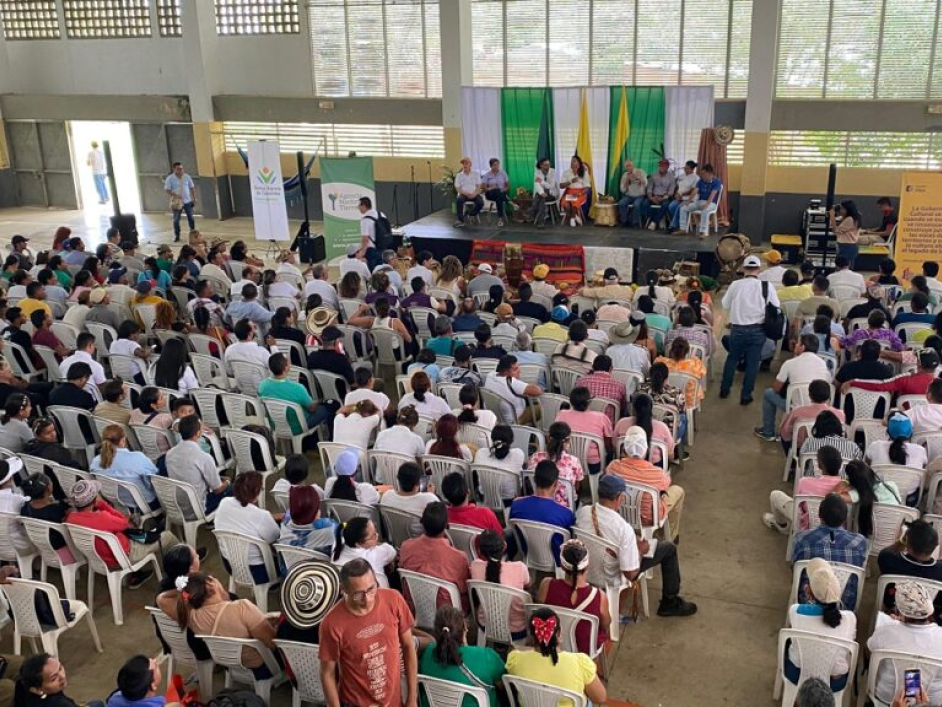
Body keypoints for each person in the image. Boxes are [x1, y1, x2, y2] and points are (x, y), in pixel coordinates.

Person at [319, 558, 418, 707]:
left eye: (371, 589)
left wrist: (412, 697)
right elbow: (327, 673)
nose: (367, 599)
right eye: (358, 594)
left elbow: (408, 646)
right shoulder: (331, 624)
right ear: (344, 590)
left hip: (394, 700)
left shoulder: (394, 600)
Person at [67, 479, 177, 587]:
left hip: (98, 559)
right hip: (124, 556)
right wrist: (103, 505)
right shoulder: (102, 518)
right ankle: (180, 569)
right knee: (168, 536)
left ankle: (138, 574)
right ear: (94, 499)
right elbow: (125, 523)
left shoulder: (70, 519)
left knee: (134, 531)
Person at [177, 572, 278, 675]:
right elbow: (273, 643)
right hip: (263, 666)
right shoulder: (242, 608)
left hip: (233, 668)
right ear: (210, 584)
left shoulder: (192, 617)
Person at [505, 607, 607, 705]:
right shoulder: (580, 662)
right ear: (559, 634)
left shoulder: (515, 660)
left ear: (532, 637)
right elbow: (600, 698)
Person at [784, 558, 857, 692]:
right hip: (833, 683)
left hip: (797, 675)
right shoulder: (850, 619)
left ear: (808, 592)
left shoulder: (795, 611)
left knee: (787, 644)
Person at [868, 580, 942, 705]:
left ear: (899, 611)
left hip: (886, 697)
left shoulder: (885, 632)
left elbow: (870, 649)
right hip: (931, 701)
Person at [418, 605, 506, 707]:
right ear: (465, 628)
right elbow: (503, 685)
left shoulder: (427, 653)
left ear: (436, 631)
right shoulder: (487, 656)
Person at [607, 426, 684, 541]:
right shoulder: (657, 473)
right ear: (646, 450)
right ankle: (671, 536)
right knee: (678, 490)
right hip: (649, 518)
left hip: (619, 511)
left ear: (624, 449)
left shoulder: (613, 466)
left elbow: (606, 477)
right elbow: (666, 484)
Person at [721, 254, 779, 404]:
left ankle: (724, 390)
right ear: (759, 269)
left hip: (738, 328)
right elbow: (776, 306)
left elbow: (725, 304)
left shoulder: (735, 285)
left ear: (743, 268)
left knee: (732, 358)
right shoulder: (766, 286)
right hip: (757, 329)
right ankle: (746, 396)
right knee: (753, 362)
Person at [537, 538, 610, 656]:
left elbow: (540, 613)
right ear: (587, 566)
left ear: (562, 566)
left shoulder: (546, 585)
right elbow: (606, 625)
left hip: (554, 645)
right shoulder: (600, 597)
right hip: (585, 651)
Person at [793, 494, 868, 607]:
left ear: (819, 515)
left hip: (807, 601)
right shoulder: (859, 542)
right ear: (845, 518)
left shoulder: (802, 539)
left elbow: (795, 568)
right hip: (844, 604)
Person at [755, 334, 830, 441]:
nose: (795, 345)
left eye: (798, 343)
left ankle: (768, 432)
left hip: (797, 408)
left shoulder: (790, 363)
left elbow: (776, 388)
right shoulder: (823, 364)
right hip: (820, 409)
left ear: (803, 347)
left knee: (768, 394)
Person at [400, 501, 471, 609]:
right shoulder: (458, 558)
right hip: (448, 615)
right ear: (445, 526)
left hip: (415, 608)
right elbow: (464, 589)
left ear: (422, 523)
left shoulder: (405, 547)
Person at [214, 471, 280, 583]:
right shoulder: (262, 516)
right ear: (256, 492)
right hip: (257, 572)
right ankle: (273, 584)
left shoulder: (224, 503)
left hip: (230, 566)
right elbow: (275, 539)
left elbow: (243, 519)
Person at [509, 460, 575, 561]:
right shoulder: (566, 514)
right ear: (556, 483)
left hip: (528, 554)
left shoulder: (516, 506)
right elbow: (571, 541)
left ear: (534, 480)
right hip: (557, 560)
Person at [258, 352, 336, 436]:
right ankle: (330, 437)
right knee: (332, 404)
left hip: (275, 425)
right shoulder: (297, 388)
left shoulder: (262, 385)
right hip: (298, 426)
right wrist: (320, 401)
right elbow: (312, 409)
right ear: (286, 368)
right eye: (288, 362)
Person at [877, 519, 942, 618]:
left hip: (894, 610)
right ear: (936, 545)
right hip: (929, 617)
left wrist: (901, 541)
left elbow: (886, 552)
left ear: (906, 543)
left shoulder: (888, 559)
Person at [165, 414, 231, 513]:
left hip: (177, 505)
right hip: (198, 508)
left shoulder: (169, 454)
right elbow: (218, 489)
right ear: (198, 434)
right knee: (234, 488)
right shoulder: (203, 457)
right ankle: (214, 520)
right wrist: (228, 482)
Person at [90, 424, 160, 512]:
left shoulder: (95, 462)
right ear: (122, 440)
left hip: (114, 504)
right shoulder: (138, 457)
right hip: (144, 505)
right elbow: (154, 480)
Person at [779, 379, 845, 452]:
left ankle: (793, 459)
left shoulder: (798, 412)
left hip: (803, 450)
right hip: (832, 451)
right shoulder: (840, 414)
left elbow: (785, 432)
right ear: (829, 396)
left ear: (810, 396)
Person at [333, 517, 397, 588]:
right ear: (357, 544)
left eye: (376, 531)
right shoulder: (375, 553)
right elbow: (392, 552)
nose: (377, 535)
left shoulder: (336, 545)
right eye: (373, 536)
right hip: (378, 594)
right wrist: (376, 544)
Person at [483, 355, 542, 425]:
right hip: (513, 422)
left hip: (494, 418)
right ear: (505, 372)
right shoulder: (512, 383)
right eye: (515, 369)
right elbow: (538, 391)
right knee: (541, 407)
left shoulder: (490, 375)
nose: (519, 371)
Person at [14, 653, 81, 707]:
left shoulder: (22, 685)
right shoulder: (59, 704)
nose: (62, 676)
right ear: (37, 689)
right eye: (54, 678)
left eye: (60, 668)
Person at [675, 163, 721, 239]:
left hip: (712, 203)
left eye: (703, 173)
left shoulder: (716, 182)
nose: (702, 175)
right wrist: (688, 201)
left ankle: (702, 232)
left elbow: (712, 195)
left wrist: (707, 204)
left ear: (709, 173)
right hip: (699, 202)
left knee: (705, 210)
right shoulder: (700, 181)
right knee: (683, 208)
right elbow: (694, 191)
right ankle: (682, 229)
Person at [164, 162, 196, 242]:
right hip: (177, 202)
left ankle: (193, 234)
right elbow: (167, 189)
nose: (180, 170)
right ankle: (177, 235)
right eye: (178, 169)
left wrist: (194, 199)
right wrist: (175, 195)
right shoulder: (170, 178)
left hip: (187, 201)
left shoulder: (187, 177)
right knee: (176, 220)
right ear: (174, 169)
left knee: (191, 218)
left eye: (181, 168)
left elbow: (192, 188)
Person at [560, 155, 591, 227]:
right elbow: (561, 186)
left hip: (581, 193)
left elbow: (587, 187)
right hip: (570, 192)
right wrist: (571, 181)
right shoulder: (566, 172)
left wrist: (580, 193)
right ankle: (574, 217)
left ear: (578, 163)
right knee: (565, 203)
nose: (572, 162)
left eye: (574, 161)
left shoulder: (584, 172)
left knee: (575, 200)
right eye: (571, 161)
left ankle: (572, 219)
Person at [830, 200, 862, 267]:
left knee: (842, 268)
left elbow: (835, 230)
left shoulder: (850, 219)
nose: (841, 211)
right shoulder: (854, 217)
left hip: (847, 247)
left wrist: (832, 216)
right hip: (849, 246)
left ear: (848, 209)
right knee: (846, 268)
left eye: (842, 209)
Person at [617, 159, 647, 227]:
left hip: (640, 195)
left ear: (633, 166)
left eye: (630, 166)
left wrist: (639, 178)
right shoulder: (624, 175)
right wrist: (627, 182)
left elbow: (646, 184)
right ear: (625, 167)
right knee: (621, 203)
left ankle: (635, 222)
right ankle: (625, 221)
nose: (628, 167)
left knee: (636, 205)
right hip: (629, 195)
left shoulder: (640, 172)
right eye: (627, 166)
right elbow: (623, 190)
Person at [530, 156, 559, 228]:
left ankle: (531, 211)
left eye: (549, 165)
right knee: (542, 199)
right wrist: (542, 192)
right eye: (546, 165)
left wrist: (542, 182)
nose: (548, 167)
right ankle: (541, 222)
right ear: (541, 165)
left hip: (552, 193)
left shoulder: (553, 172)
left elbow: (551, 186)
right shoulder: (537, 172)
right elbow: (536, 184)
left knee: (540, 196)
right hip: (542, 195)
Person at [481, 157, 510, 226]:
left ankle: (500, 219)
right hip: (490, 194)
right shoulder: (487, 175)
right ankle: (509, 201)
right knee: (497, 191)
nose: (496, 166)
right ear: (491, 166)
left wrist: (503, 190)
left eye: (497, 164)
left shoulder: (503, 173)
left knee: (498, 197)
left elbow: (508, 186)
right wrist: (491, 188)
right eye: (494, 165)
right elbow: (483, 187)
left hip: (501, 193)